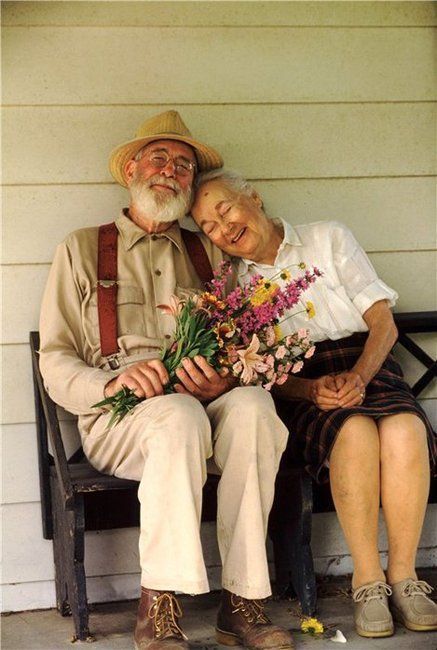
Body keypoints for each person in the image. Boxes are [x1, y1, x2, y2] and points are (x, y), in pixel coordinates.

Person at [39, 112, 295, 650]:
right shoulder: (83, 248)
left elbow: (243, 345)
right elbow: (56, 357)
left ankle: (243, 602)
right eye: (160, 158)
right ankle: (161, 606)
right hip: (121, 419)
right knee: (176, 416)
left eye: (183, 166)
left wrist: (221, 381)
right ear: (131, 169)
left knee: (252, 408)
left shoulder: (211, 254)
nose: (171, 172)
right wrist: (110, 385)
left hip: (200, 410)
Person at [191, 168, 437, 639]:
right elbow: (256, 371)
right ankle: (367, 581)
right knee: (355, 432)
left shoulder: (328, 238)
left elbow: (383, 325)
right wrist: (309, 389)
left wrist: (360, 377)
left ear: (254, 198)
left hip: (368, 362)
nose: (224, 230)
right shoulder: (234, 289)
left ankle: (405, 577)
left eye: (225, 211)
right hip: (302, 385)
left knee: (405, 428)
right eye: (209, 227)